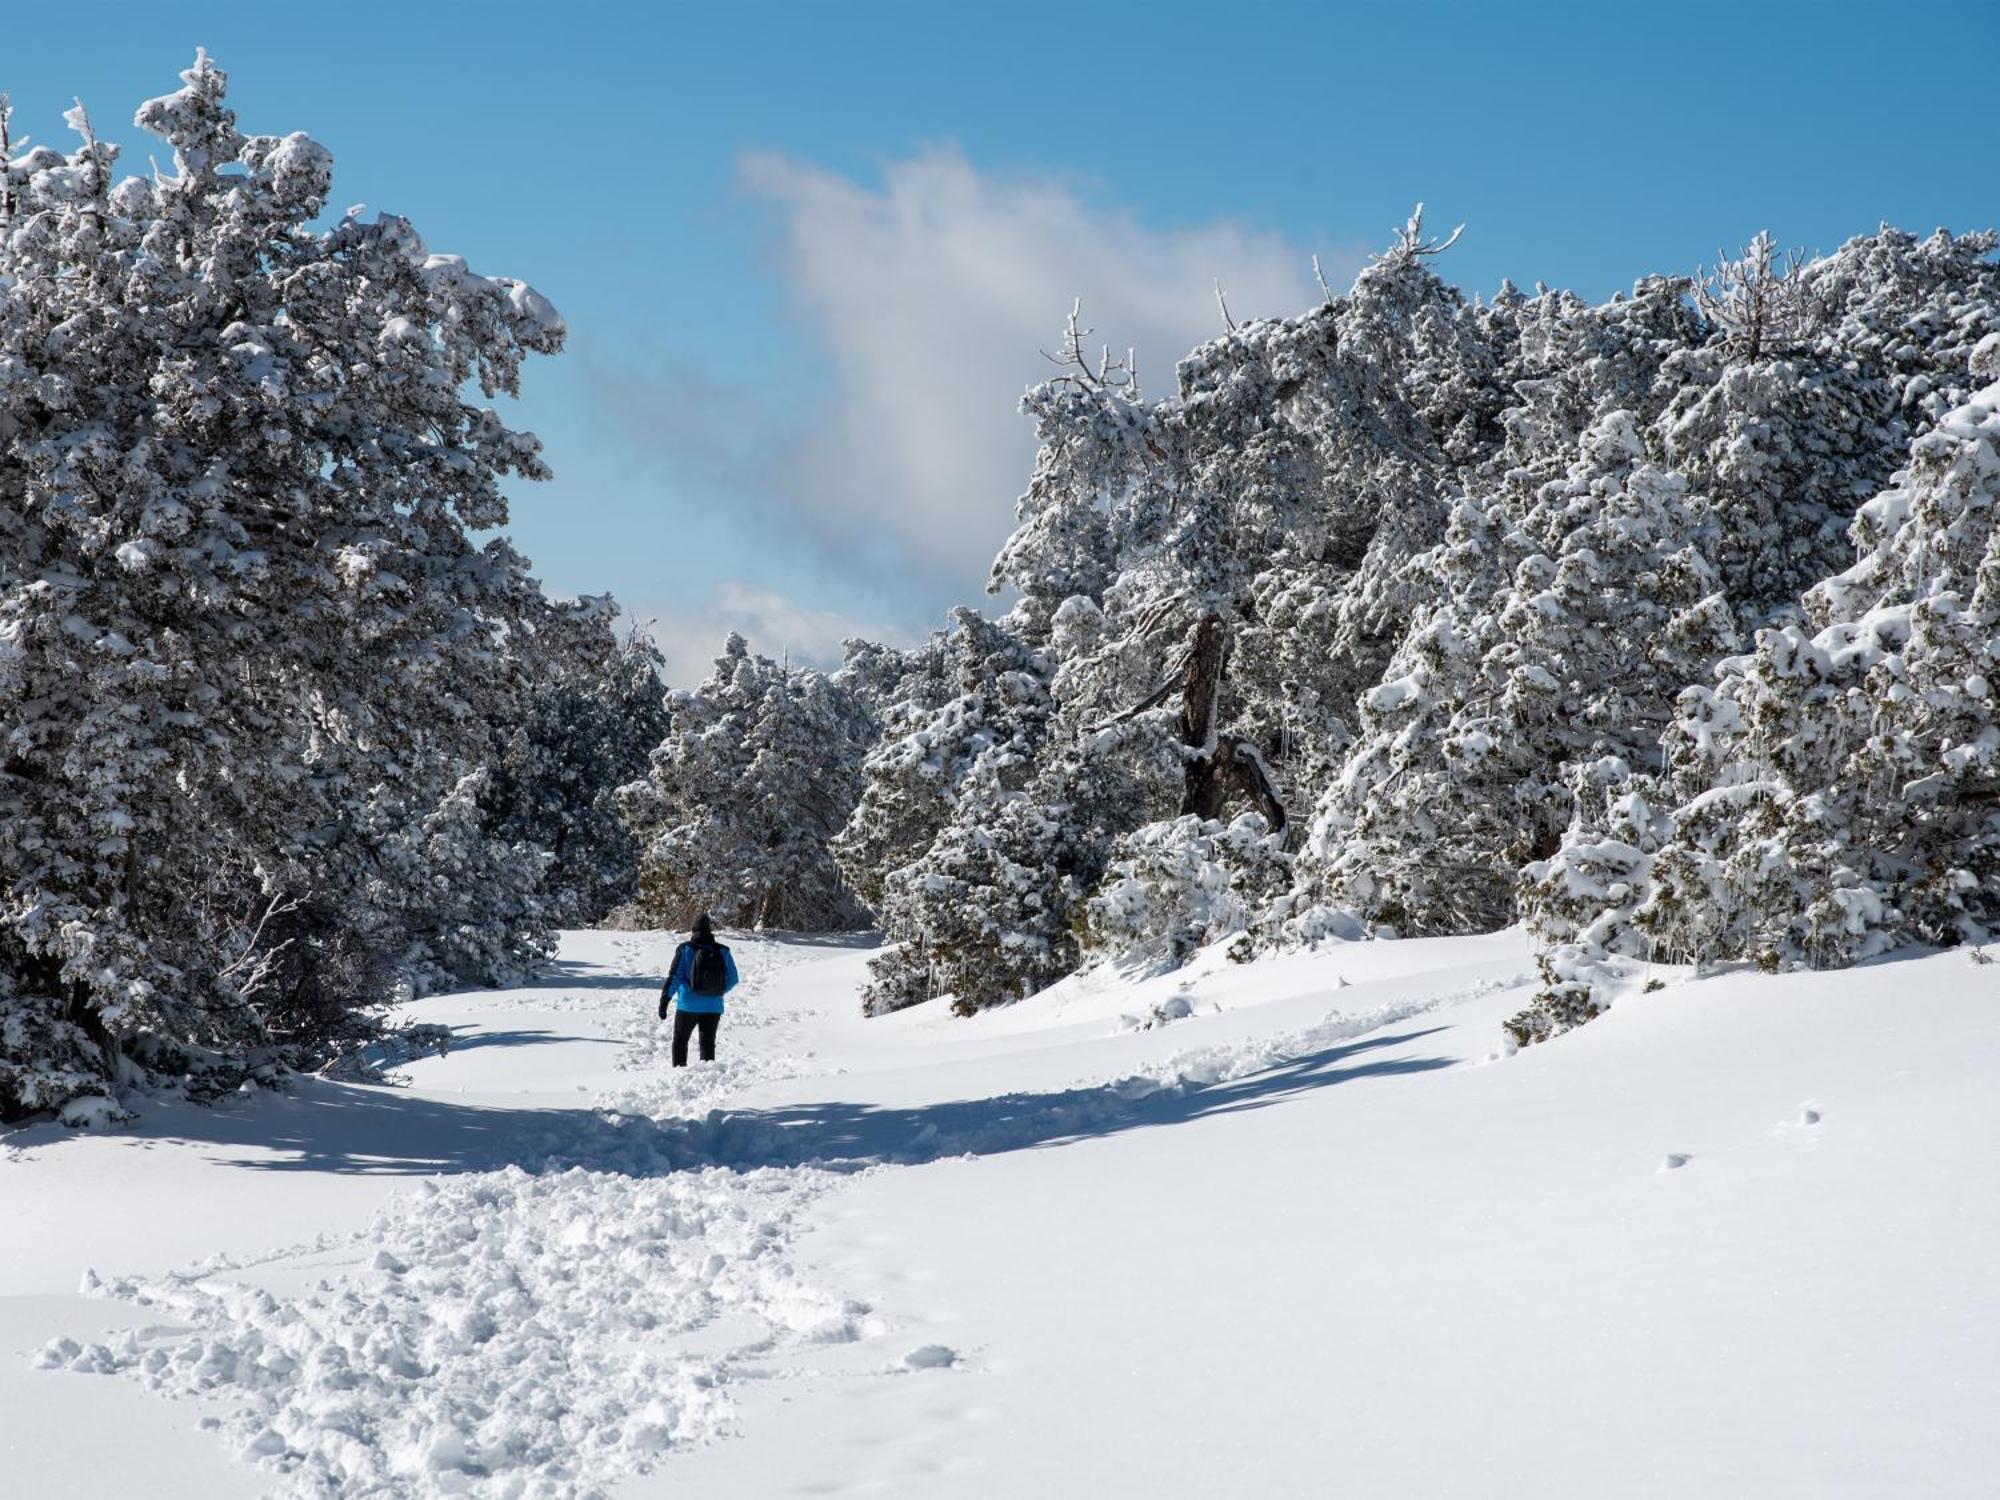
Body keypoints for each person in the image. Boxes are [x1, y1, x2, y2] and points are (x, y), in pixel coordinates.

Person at [658, 913, 738, 1066]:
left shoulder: (685, 949)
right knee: (708, 1043)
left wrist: (664, 1001)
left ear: (693, 930)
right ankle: (707, 1076)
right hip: (714, 1006)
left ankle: (679, 1073)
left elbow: (674, 977)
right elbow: (733, 978)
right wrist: (718, 991)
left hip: (688, 1006)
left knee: (681, 1040)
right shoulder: (723, 951)